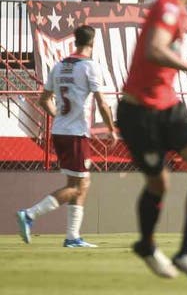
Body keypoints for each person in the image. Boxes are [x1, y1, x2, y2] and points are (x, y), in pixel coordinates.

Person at [116, 0, 187, 283]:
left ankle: (186, 251)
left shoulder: (175, 7)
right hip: (139, 112)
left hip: (167, 105)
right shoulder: (168, 7)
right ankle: (147, 246)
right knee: (159, 184)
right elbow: (154, 49)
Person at [16, 25, 117, 247]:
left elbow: (44, 99)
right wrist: (111, 128)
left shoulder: (59, 66)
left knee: (81, 182)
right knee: (77, 187)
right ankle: (30, 214)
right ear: (92, 43)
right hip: (76, 134)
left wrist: (59, 116)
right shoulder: (90, 67)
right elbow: (101, 102)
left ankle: (72, 237)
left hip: (61, 131)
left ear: (75, 41)